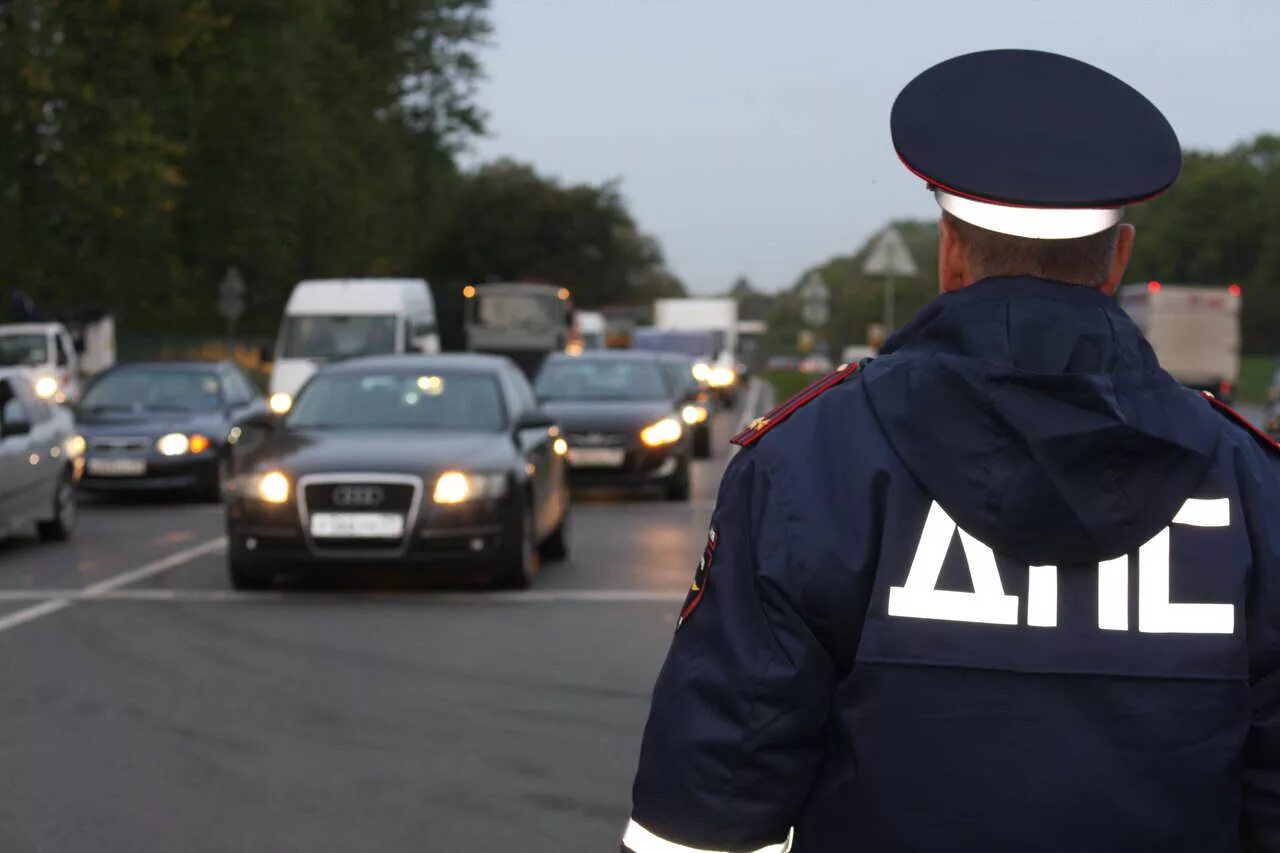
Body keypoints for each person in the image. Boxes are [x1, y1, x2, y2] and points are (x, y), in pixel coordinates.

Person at [622, 49, 1280, 853]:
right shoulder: (1248, 479)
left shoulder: (812, 460)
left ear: (951, 253)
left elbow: (710, 800)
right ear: (1119, 259)